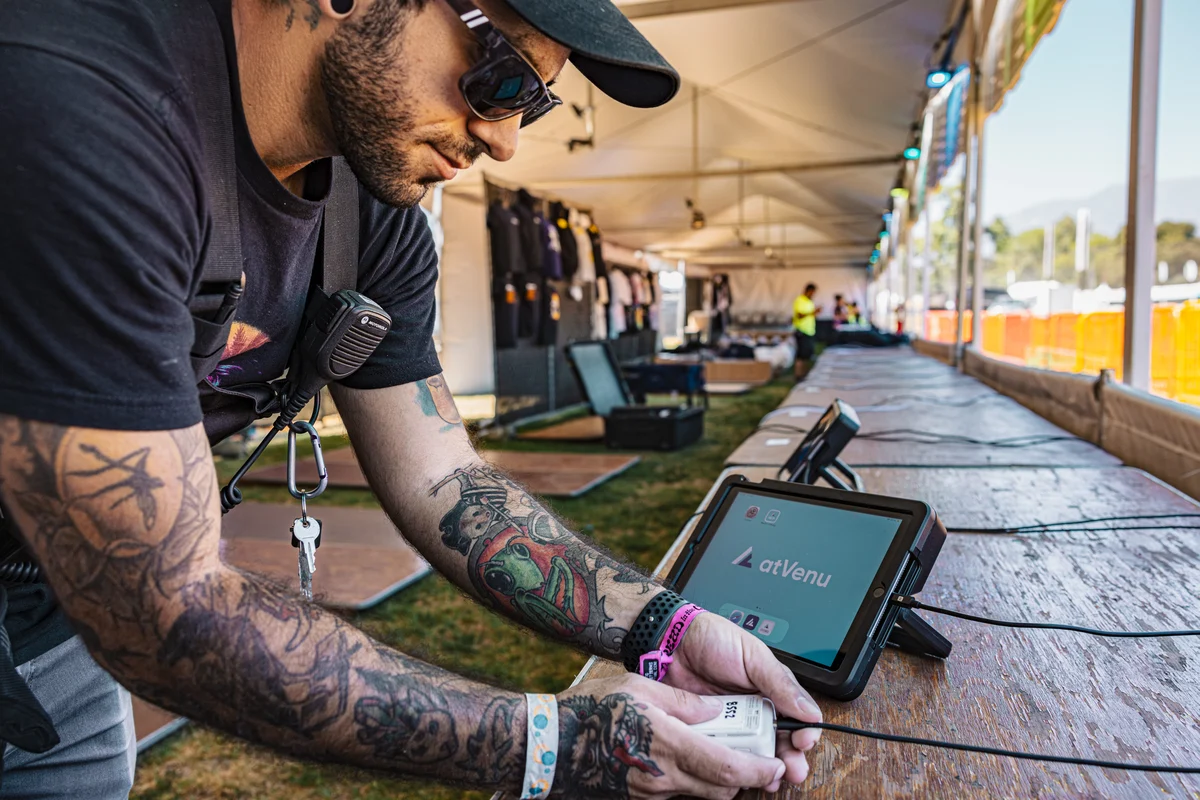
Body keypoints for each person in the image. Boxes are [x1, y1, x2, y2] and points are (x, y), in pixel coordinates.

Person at [0, 0, 823, 797]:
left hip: (47, 632)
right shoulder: (81, 102)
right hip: (94, 603)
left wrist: (665, 631)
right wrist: (559, 743)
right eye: (500, 81)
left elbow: (441, 477)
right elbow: (161, 608)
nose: (503, 142)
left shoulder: (370, 201)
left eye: (536, 106)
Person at [792, 283, 821, 379]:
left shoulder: (810, 302)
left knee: (807, 355)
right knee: (801, 355)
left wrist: (815, 313)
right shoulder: (800, 300)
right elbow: (800, 315)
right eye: (812, 292)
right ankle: (799, 375)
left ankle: (805, 375)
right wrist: (813, 312)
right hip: (802, 331)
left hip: (809, 331)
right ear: (808, 291)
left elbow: (809, 315)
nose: (813, 294)